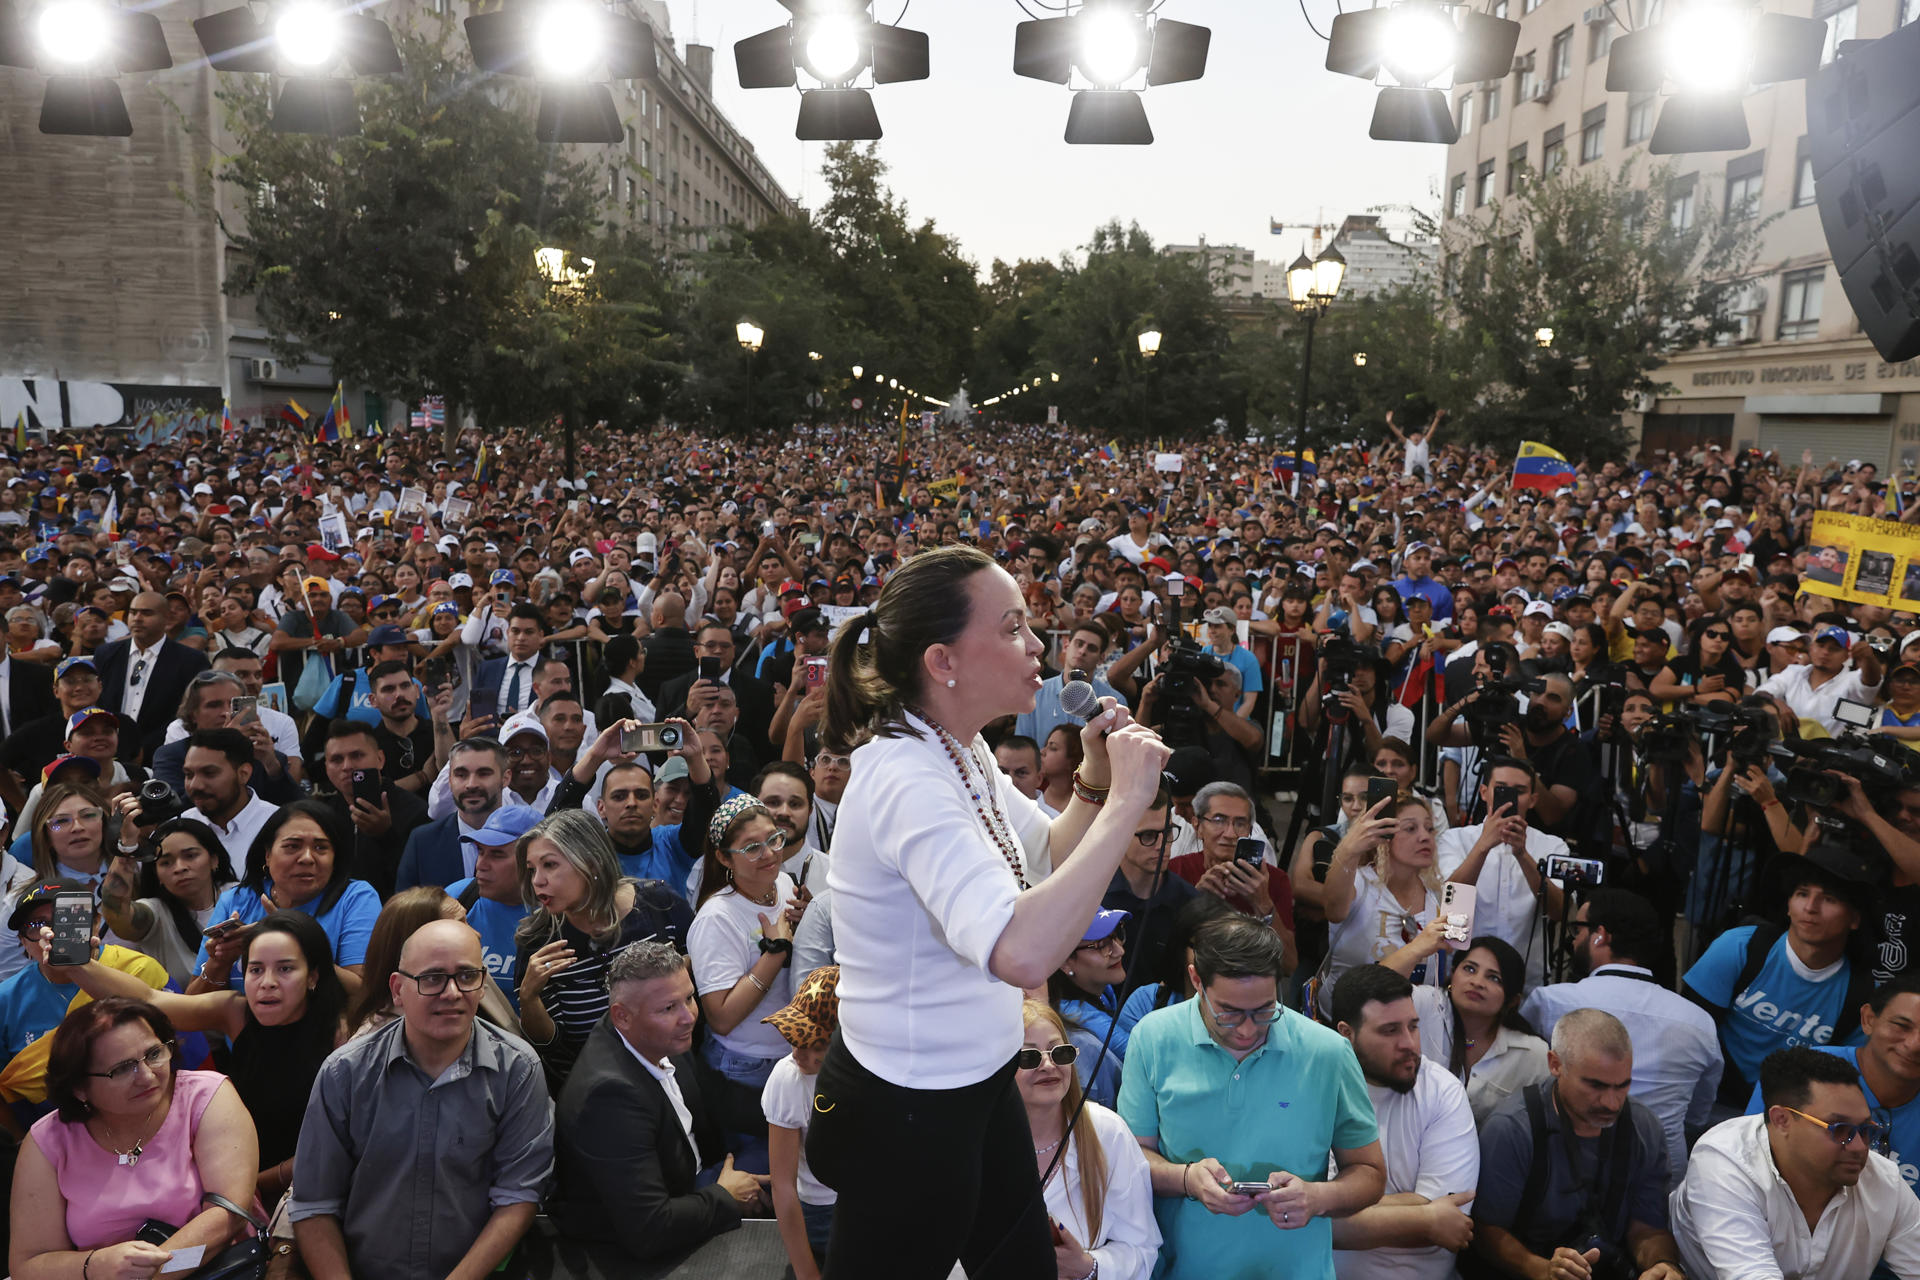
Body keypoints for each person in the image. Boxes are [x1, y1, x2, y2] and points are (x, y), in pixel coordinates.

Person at [806, 544, 1171, 1279]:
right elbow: (1022, 953)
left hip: (977, 1077)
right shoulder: (907, 777)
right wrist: (1132, 801)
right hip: (907, 1115)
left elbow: (1045, 855)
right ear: (944, 662)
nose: (1037, 645)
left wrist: (1097, 780)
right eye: (1011, 628)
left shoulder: (957, 746)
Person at [1118, 914, 1385, 1280]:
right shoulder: (1153, 1038)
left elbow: (1370, 1173)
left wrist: (1317, 1197)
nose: (1247, 1029)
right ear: (1196, 980)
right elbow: (1131, 1159)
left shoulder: (1329, 1052)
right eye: (1228, 1013)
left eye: (1264, 1011)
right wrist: (1186, 1179)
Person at [290, 919, 554, 1280]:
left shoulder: (517, 1070)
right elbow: (314, 1204)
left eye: (466, 976)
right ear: (397, 990)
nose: (452, 993)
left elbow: (517, 1197)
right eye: (432, 978)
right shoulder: (345, 1073)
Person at [53, 911, 348, 1203]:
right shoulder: (236, 1012)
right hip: (237, 1180)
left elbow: (337, 1147)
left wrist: (248, 1185)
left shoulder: (343, 1036)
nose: (267, 982)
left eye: (285, 969)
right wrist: (77, 965)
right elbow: (149, 1001)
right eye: (255, 970)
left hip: (313, 1189)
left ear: (313, 976)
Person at [8, 997, 259, 1280]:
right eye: (123, 1068)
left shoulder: (205, 1096)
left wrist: (154, 1273)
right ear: (79, 1087)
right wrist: (94, 1265)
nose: (147, 1076)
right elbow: (29, 1265)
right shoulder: (48, 1141)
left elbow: (229, 1217)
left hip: (218, 1268)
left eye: (153, 1054)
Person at [549, 941, 765, 1261]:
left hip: (695, 1177)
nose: (689, 1017)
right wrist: (726, 1196)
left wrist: (793, 1114)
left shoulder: (652, 1034)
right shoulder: (608, 1097)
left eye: (689, 998)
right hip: (652, 1230)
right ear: (621, 1016)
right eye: (668, 1008)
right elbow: (649, 1228)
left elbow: (720, 1096)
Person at [1468, 1009, 1684, 1280]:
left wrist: (1662, 1266)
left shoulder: (1644, 1127)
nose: (1611, 1103)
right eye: (1596, 1086)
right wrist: (1541, 1269)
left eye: (1622, 1086)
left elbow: (1648, 1228)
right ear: (1555, 1064)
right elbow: (1486, 1231)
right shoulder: (1511, 1129)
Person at [1671, 1047, 1920, 1280]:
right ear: (1782, 1120)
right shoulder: (1724, 1161)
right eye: (1840, 1130)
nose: (1858, 1147)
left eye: (1865, 1130)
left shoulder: (1884, 1179)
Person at [1523, 889, 1723, 1179]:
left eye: (1578, 929)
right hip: (1660, 1172)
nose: (1573, 938)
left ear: (1600, 934)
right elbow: (1697, 1116)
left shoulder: (1552, 1003)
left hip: (1568, 1164)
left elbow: (1523, 1078)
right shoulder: (1699, 1021)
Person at [1683, 841, 1875, 1107]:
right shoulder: (1739, 947)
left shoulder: (1862, 993)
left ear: (1855, 919)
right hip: (1709, 1097)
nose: (1810, 907)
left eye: (1829, 899)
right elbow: (1687, 1032)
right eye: (1802, 893)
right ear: (1788, 905)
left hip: (1790, 1116)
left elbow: (1844, 1076)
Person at [514, 808, 694, 1090]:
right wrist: (529, 997)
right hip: (596, 1090)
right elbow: (551, 1046)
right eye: (532, 869)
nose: (538, 881)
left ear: (593, 863)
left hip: (676, 1076)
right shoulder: (537, 940)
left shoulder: (660, 904)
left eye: (550, 865)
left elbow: (700, 994)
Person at [1327, 964, 1480, 1280]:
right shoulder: (1316, 1090)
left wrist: (1330, 1208)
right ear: (1346, 1034)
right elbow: (1306, 1219)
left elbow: (1451, 1220)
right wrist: (1425, 1216)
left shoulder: (1442, 1091)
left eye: (1413, 1026)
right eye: (1389, 1030)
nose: (1409, 1044)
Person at [688, 794, 805, 1171]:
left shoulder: (784, 883)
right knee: (761, 1174)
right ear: (724, 858)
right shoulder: (717, 917)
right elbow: (721, 1016)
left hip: (788, 1055)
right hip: (744, 1067)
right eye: (751, 848)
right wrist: (775, 953)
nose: (769, 853)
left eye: (773, 839)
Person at [1017, 999, 1162, 1280]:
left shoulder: (1107, 1132)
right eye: (1029, 1057)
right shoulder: (976, 1141)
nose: (1048, 1065)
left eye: (1059, 1053)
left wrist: (1090, 1267)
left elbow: (1142, 1249)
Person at [193, 800, 381, 989]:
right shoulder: (236, 900)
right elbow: (192, 1005)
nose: (307, 858)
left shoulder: (355, 898)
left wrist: (294, 939)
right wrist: (219, 963)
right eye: (292, 846)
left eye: (320, 848)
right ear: (267, 854)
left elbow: (362, 992)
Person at [1381, 930, 1552, 1124]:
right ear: (1453, 974)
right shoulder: (1428, 1004)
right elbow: (1370, 992)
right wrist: (1417, 949)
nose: (1477, 982)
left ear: (1513, 1000)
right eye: (1470, 969)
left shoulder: (1532, 1053)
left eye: (1494, 978)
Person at [1434, 758, 1567, 989]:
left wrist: (1522, 855)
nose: (1511, 798)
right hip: (1462, 975)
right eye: (1502, 789)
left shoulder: (1553, 846)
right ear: (1484, 792)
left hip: (1526, 980)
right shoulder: (1455, 839)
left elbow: (1558, 912)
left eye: (1520, 791)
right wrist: (1483, 846)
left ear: (1533, 800)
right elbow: (1450, 902)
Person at [762, 965, 843, 1280]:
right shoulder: (787, 1079)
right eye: (795, 1037)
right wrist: (807, 1273)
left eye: (816, 1046)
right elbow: (783, 1185)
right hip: (819, 1212)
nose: (798, 1052)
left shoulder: (875, 1073)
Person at [1321, 793, 1444, 997]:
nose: (1425, 836)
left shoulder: (1436, 893)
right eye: (1410, 828)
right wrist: (1349, 848)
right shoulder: (1360, 883)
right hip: (1348, 1021)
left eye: (1429, 828)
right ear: (1383, 836)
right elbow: (1333, 909)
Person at [1167, 782, 1297, 972]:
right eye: (1219, 820)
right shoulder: (1175, 871)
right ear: (1197, 826)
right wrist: (1195, 900)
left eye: (1240, 823)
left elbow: (1289, 966)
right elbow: (1160, 954)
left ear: (1250, 831)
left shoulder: (1273, 880)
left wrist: (1263, 904)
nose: (1230, 833)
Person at [98, 817, 238, 986]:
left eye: (191, 856)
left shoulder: (243, 896)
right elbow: (116, 912)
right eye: (166, 862)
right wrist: (127, 847)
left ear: (214, 860)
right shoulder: (155, 914)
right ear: (157, 875)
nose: (180, 867)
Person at [314, 718, 431, 900]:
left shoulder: (415, 812)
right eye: (337, 759)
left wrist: (385, 836)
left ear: (380, 759)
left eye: (357, 756)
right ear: (326, 768)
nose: (347, 766)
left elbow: (421, 885)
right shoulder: (325, 817)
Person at [1100, 784, 1198, 996]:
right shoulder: (1094, 897)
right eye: (1148, 835)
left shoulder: (1189, 902)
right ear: (1119, 834)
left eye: (1168, 832)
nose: (1162, 845)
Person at [445, 805, 543, 1010]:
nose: (481, 864)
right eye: (480, 851)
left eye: (497, 854)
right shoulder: (457, 898)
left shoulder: (557, 912)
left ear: (532, 862)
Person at [95, 590, 211, 762]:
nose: (137, 618)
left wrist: (145, 748)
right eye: (133, 612)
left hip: (164, 753)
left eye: (146, 613)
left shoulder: (191, 661)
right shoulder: (106, 653)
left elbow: (189, 712)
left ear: (166, 618)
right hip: (109, 754)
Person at [395, 738, 509, 891]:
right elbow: (405, 911)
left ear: (506, 778)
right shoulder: (422, 842)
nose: (471, 784)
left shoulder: (527, 837)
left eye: (483, 774)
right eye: (461, 775)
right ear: (449, 780)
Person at [1048, 907, 1132, 1108]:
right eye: (1102, 945)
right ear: (1065, 962)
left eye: (1117, 936)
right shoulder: (1074, 1013)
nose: (1119, 950)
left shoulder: (1102, 991)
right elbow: (1139, 1055)